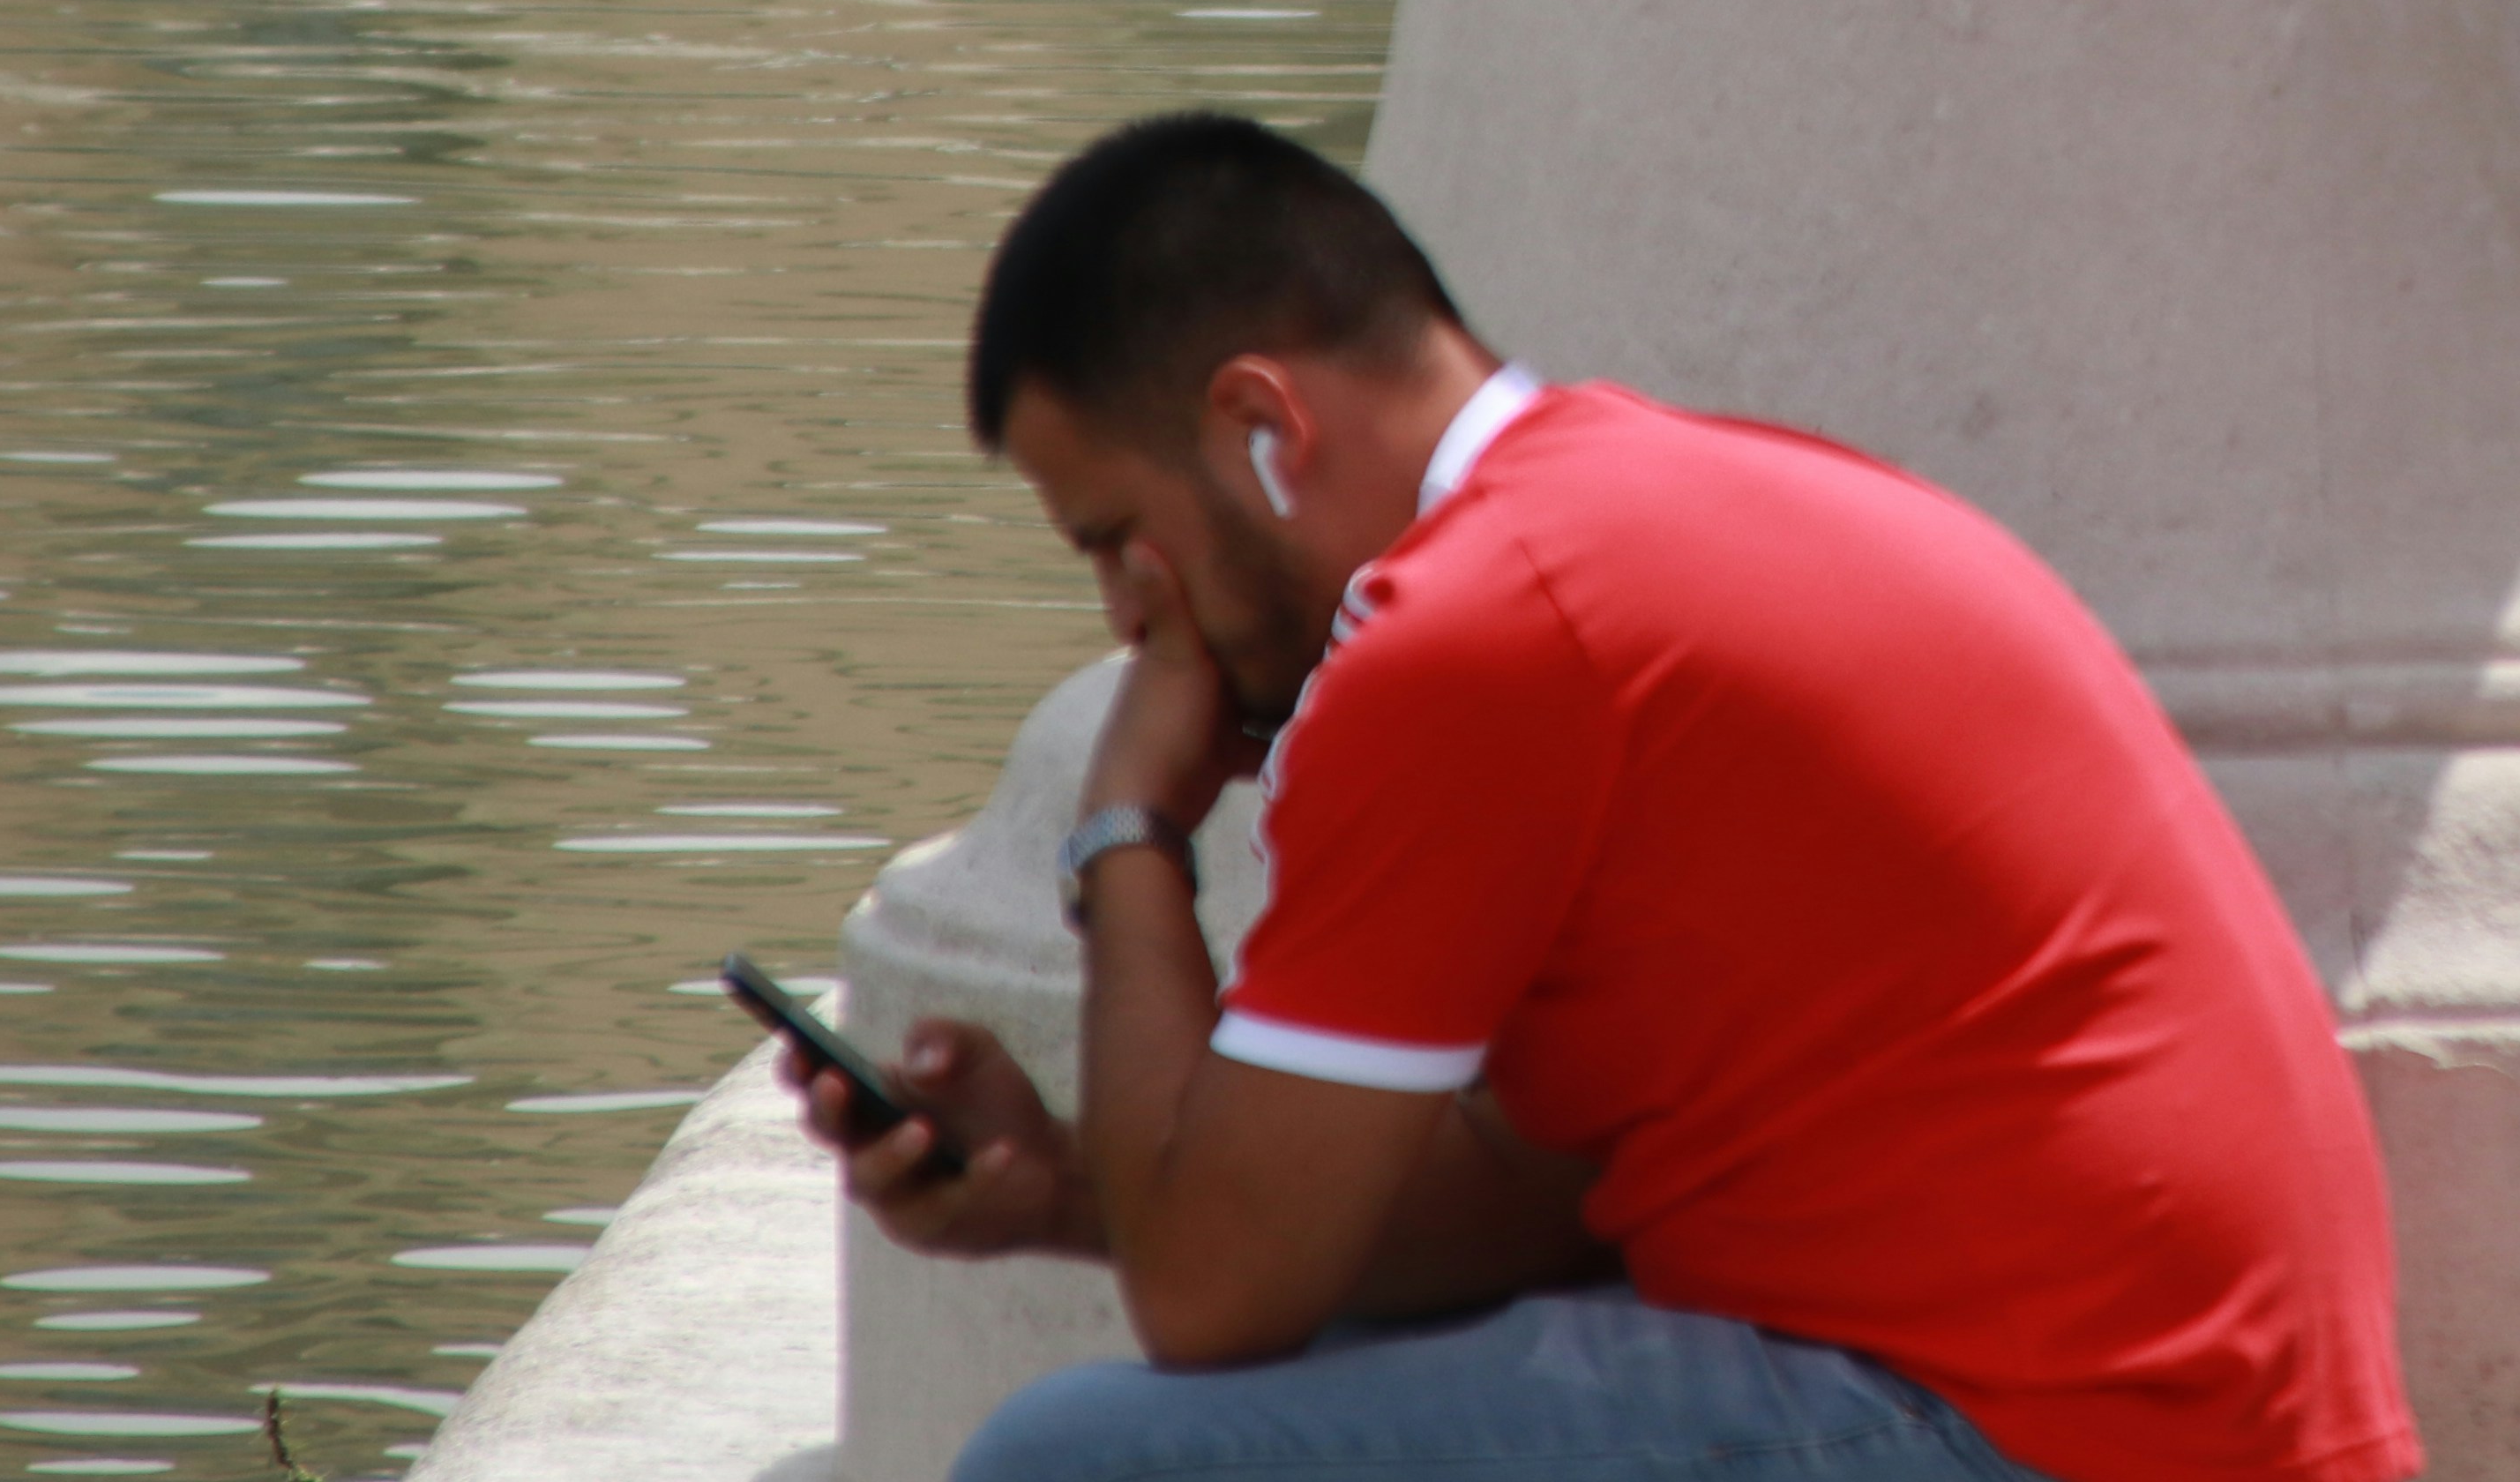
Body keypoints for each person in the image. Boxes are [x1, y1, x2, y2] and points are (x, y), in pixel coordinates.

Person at [776, 111, 2421, 1482]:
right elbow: (1523, 1204)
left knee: (1075, 1469)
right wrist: (1066, 1187)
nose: (1130, 615)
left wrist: (1125, 826)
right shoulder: (1639, 515)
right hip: (2186, 1424)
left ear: (1263, 430)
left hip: (2033, 1432)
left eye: (1116, 540)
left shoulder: (1472, 636)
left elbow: (1211, 1302)